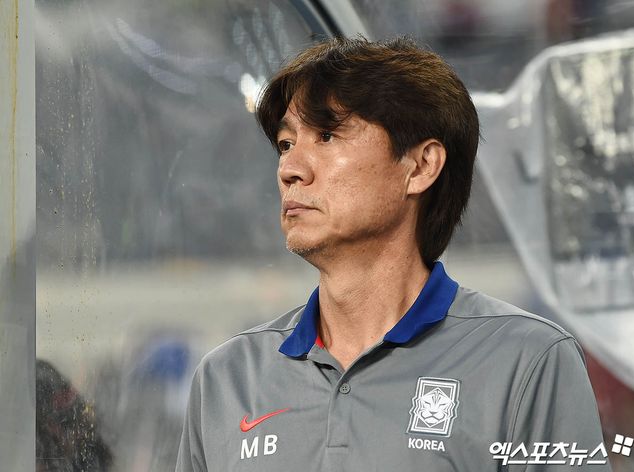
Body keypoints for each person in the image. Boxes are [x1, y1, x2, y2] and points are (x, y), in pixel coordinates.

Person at [176, 37, 610, 471]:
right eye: (287, 144)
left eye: (326, 135)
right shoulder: (226, 378)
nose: (290, 169)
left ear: (421, 166)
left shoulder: (528, 360)